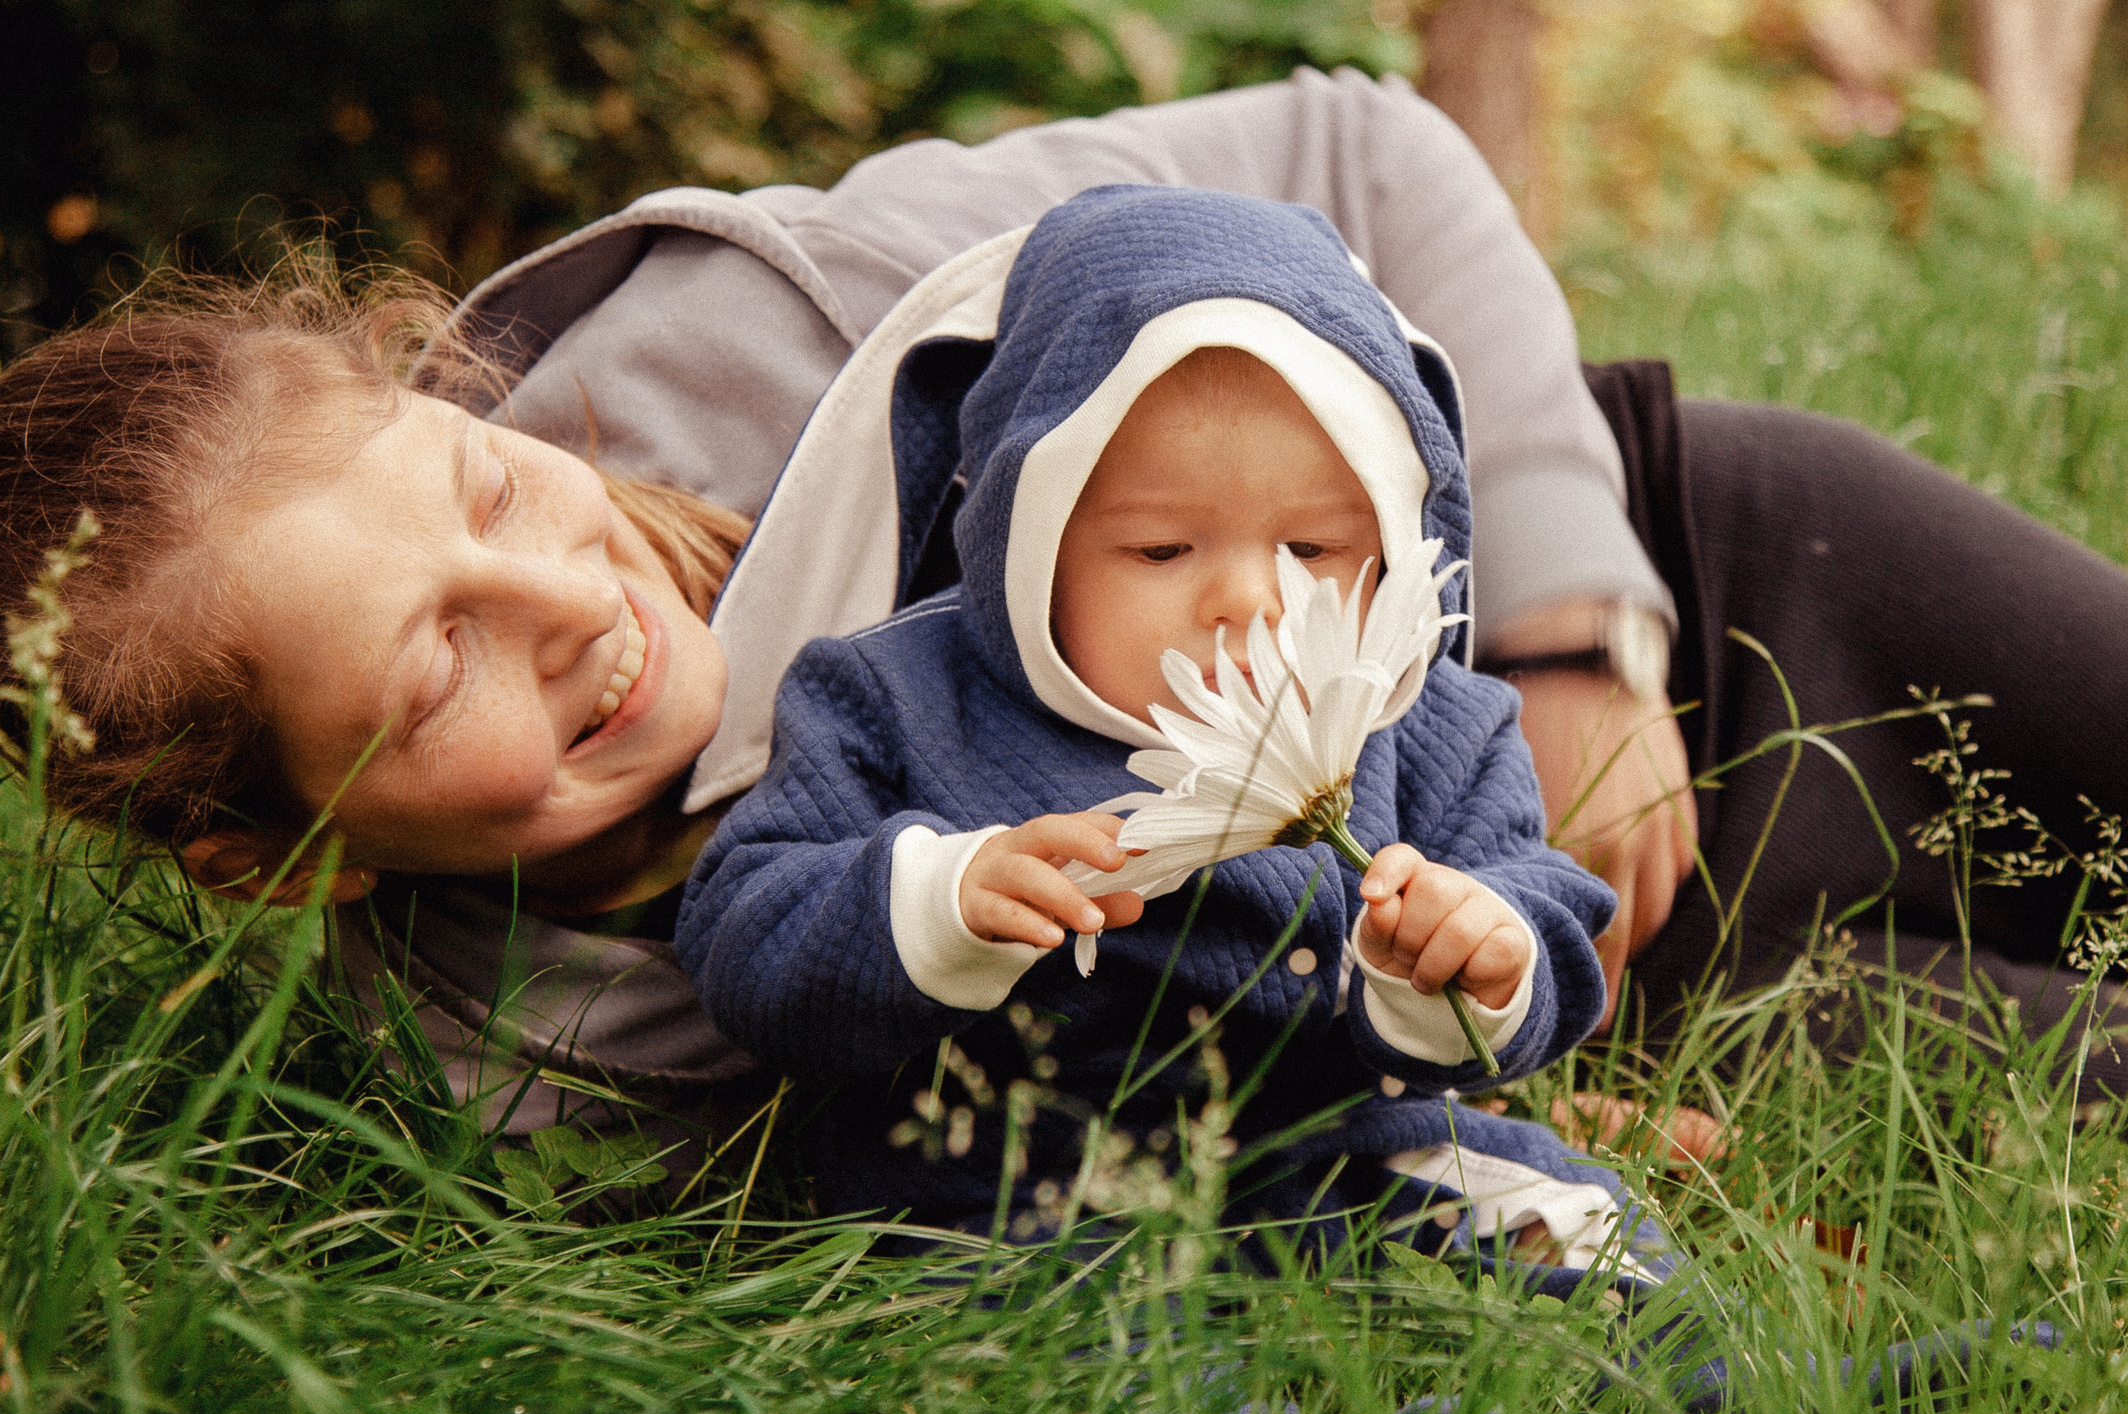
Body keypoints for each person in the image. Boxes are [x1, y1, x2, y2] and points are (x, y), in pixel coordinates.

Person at [0, 69, 2128, 1182]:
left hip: (1726, 609)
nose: (573, 600)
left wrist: (1562, 624)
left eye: (491, 489)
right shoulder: (543, 1070)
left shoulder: (761, 322)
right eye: (429, 674)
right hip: (1556, 980)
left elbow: (1359, 150)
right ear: (278, 852)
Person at [678, 184, 1642, 1255]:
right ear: (1023, 544)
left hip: (1353, 1151)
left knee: (1576, 1238)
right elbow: (742, 930)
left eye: (1314, 549)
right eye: (1160, 550)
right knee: (1065, 1360)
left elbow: (1544, 912)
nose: (1251, 599)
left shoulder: (1433, 724)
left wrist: (1481, 954)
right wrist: (936, 900)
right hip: (1020, 1187)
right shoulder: (894, 698)